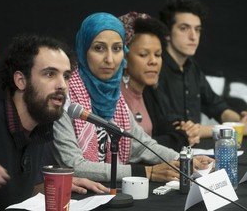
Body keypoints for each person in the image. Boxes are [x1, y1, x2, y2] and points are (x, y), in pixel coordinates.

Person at [43, 12, 213, 185]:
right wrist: (146, 172)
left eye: (116, 48)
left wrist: (184, 159)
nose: (109, 59)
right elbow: (74, 165)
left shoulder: (114, 97)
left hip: (105, 192)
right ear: (83, 49)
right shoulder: (64, 94)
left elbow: (142, 145)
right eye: (99, 48)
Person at [0, 34, 109, 211]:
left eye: (66, 76)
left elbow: (23, 192)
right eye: (50, 74)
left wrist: (53, 185)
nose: (62, 85)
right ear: (21, 81)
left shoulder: (41, 124)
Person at [149, 0, 247, 138]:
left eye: (197, 29)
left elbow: (216, 106)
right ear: (167, 33)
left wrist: (239, 121)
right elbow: (177, 128)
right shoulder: (155, 69)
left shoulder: (192, 67)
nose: (193, 36)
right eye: (184, 28)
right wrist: (235, 129)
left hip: (197, 152)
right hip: (170, 154)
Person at [118, 12, 200, 152]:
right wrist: (181, 137)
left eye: (158, 54)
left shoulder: (149, 90)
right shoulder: (116, 95)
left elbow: (164, 123)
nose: (153, 61)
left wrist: (185, 128)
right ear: (124, 58)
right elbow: (133, 147)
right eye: (144, 55)